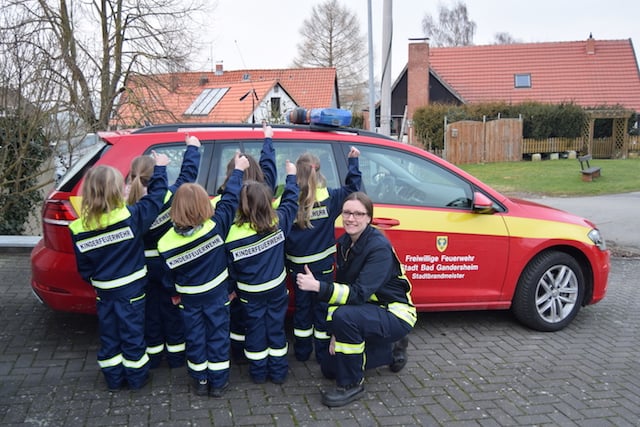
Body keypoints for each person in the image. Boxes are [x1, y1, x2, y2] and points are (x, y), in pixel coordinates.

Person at [296, 191, 416, 408]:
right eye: (347, 213)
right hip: (367, 311)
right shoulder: (344, 244)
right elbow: (342, 292)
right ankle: (390, 349)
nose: (351, 218)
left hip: (395, 313)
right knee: (328, 368)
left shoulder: (378, 248)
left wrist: (318, 287)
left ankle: (352, 384)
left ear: (369, 217)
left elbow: (358, 293)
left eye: (359, 214)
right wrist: (335, 333)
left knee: (345, 318)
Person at [69, 153, 170, 392]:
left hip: (104, 292)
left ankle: (113, 379)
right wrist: (161, 170)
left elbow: (84, 268)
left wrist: (98, 281)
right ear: (116, 191)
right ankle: (136, 379)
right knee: (133, 333)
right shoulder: (130, 218)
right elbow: (156, 199)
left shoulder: (78, 227)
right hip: (132, 291)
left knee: (110, 335)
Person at [156, 152, 249, 398]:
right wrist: (238, 170)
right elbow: (230, 199)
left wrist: (174, 293)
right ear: (204, 206)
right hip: (217, 296)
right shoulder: (215, 227)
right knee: (218, 337)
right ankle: (218, 383)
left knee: (195, 338)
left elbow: (167, 277)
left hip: (189, 300)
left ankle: (200, 380)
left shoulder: (165, 243)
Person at [125, 134, 201, 370]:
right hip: (169, 265)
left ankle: (154, 357)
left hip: (142, 268)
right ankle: (177, 358)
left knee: (149, 312)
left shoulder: (128, 206)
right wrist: (193, 148)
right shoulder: (168, 196)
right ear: (156, 177)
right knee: (172, 309)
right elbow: (188, 175)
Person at [224, 159, 299, 385]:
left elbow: (229, 269)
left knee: (255, 331)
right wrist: (291, 177)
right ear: (268, 203)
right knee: (275, 328)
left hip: (249, 294)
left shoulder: (231, 234)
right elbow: (291, 202)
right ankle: (278, 373)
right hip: (276, 289)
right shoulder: (279, 221)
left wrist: (231, 290)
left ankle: (258, 373)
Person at [285, 147, 362, 364]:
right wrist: (353, 163)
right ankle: (321, 353)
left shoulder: (288, 201)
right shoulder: (331, 197)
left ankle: (301, 353)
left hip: (298, 268)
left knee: (301, 310)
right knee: (322, 309)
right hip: (323, 268)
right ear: (318, 173)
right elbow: (353, 189)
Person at [214, 123, 278, 364]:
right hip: (263, 276)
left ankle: (238, 352)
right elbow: (269, 168)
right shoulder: (267, 193)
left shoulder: (225, 201)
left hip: (236, 275)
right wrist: (268, 140)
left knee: (239, 316)